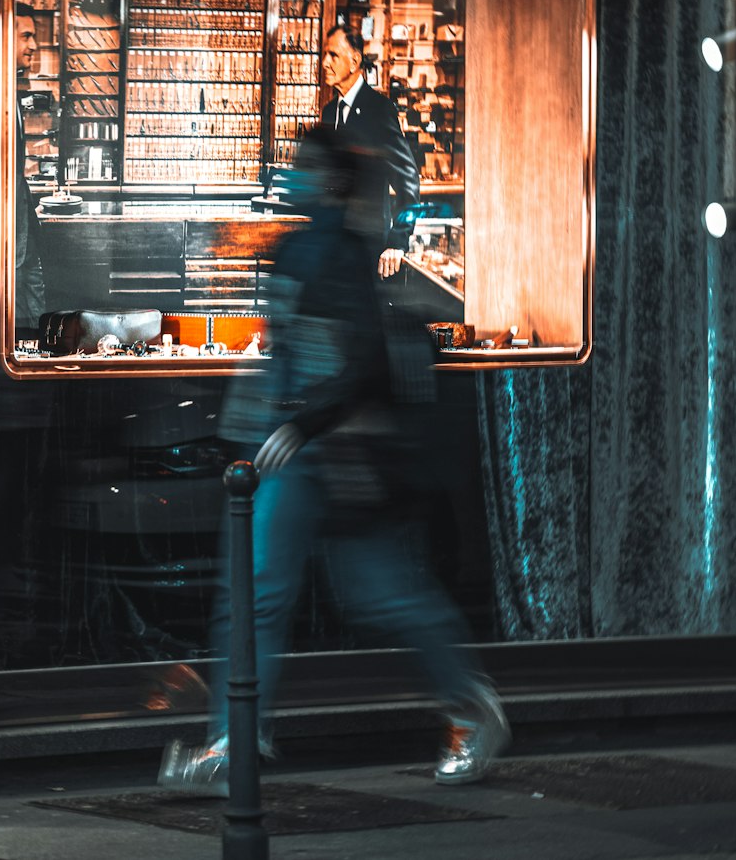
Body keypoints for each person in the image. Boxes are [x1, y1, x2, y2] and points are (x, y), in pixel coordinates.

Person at [157, 128, 508, 795]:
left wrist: (296, 421)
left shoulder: (337, 256)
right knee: (283, 594)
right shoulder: (310, 250)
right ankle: (237, 738)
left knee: (352, 595)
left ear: (331, 182)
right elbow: (296, 353)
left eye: (303, 169)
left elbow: (363, 361)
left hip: (330, 453)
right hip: (306, 449)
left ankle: (466, 705)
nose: (290, 179)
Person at [320, 21, 421, 279]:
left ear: (354, 62)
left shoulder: (379, 110)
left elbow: (408, 179)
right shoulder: (329, 112)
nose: (325, 63)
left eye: (333, 55)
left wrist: (397, 241)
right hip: (333, 248)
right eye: (325, 54)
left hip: (367, 252)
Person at [14, 3, 47, 335]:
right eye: (26, 36)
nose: (33, 45)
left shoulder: (10, 90)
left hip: (24, 238)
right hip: (11, 245)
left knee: (34, 323)